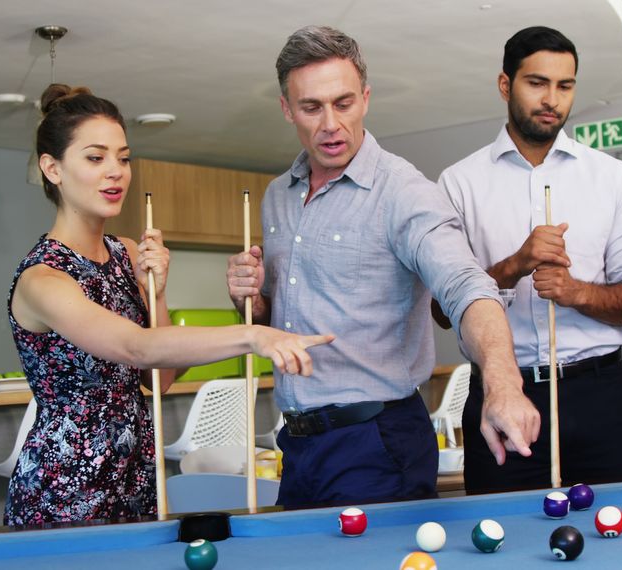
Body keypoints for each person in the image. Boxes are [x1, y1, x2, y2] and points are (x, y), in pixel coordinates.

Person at [226, 26, 540, 508]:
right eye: (311, 107)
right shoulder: (276, 198)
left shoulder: (405, 192)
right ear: (287, 109)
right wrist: (250, 301)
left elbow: (466, 287)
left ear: (366, 98)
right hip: (297, 443)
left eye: (344, 103)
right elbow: (275, 323)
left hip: (377, 442)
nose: (331, 123)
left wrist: (502, 383)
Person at [5, 84, 333, 525]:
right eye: (95, 157)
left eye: (123, 158)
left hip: (135, 477)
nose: (116, 172)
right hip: (65, 489)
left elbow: (156, 380)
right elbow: (135, 347)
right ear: (53, 168)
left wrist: (155, 293)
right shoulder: (42, 278)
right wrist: (254, 335)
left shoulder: (124, 252)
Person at [436, 26, 622, 493]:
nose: (552, 98)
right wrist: (515, 264)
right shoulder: (459, 184)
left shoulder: (611, 177)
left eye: (565, 85)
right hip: (504, 392)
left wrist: (575, 292)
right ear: (505, 85)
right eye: (537, 83)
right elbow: (440, 309)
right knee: (502, 541)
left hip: (601, 393)